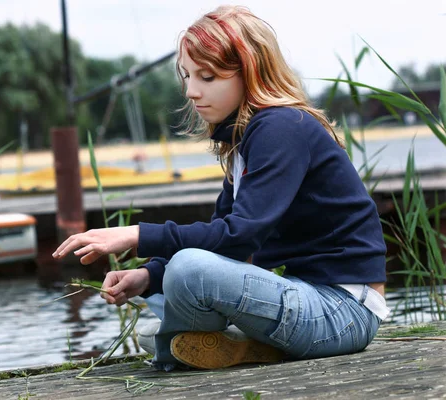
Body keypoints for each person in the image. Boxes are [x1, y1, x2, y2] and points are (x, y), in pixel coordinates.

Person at [53, 5, 390, 371]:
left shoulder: (281, 127)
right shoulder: (244, 141)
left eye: (208, 77)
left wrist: (135, 235)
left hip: (343, 311)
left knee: (188, 273)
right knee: (165, 302)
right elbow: (223, 246)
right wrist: (148, 276)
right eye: (187, 77)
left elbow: (239, 237)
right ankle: (225, 346)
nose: (193, 93)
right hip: (309, 301)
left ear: (250, 72)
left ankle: (179, 353)